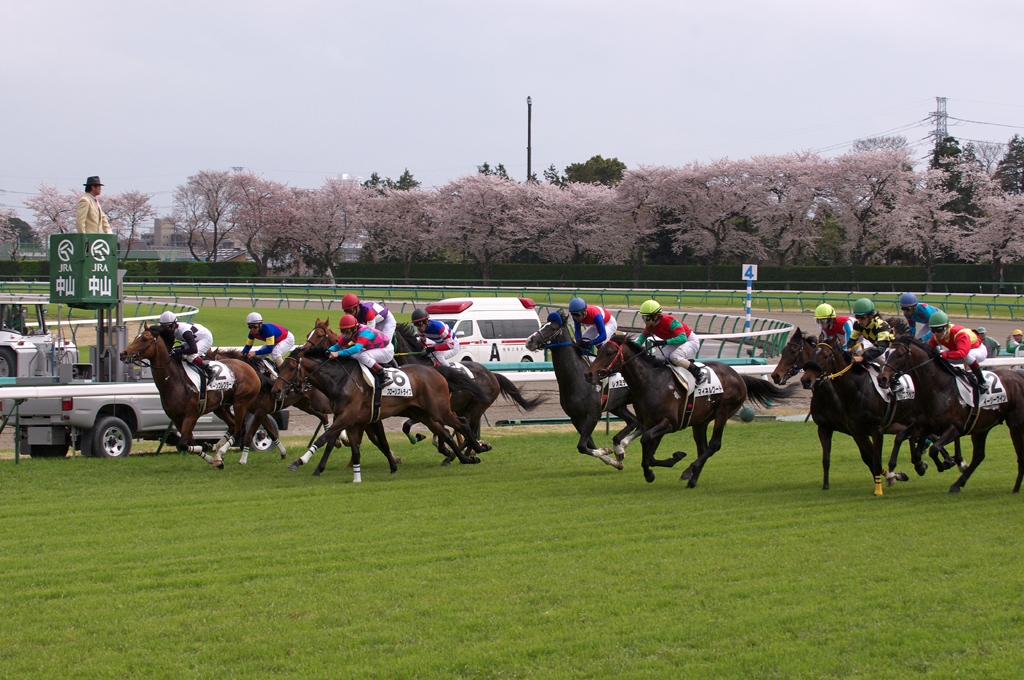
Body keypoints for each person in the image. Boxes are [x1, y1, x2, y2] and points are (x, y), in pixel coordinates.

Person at [637, 299, 704, 384]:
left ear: (655, 317)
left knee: (675, 357)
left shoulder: (670, 321)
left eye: (646, 317)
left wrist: (665, 342)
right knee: (658, 359)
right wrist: (632, 347)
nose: (644, 320)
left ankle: (698, 373)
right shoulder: (650, 326)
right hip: (676, 342)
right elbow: (642, 337)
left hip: (690, 341)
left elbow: (683, 338)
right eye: (643, 317)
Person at [927, 310, 988, 393]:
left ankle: (982, 382)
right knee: (939, 357)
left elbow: (962, 353)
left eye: (939, 330)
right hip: (959, 353)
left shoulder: (960, 334)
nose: (936, 333)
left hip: (978, 351)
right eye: (933, 330)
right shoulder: (936, 337)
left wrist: (945, 355)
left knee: (967, 356)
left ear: (946, 327)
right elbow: (928, 348)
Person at [327, 314, 394, 388]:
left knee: (362, 356)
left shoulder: (365, 332)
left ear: (354, 329)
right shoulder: (350, 333)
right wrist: (328, 350)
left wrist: (338, 353)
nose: (344, 334)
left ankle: (384, 375)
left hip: (386, 350)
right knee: (353, 355)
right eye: (342, 331)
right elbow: (337, 346)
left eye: (346, 331)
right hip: (374, 348)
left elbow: (357, 349)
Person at [159, 311, 214, 380]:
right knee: (176, 353)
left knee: (191, 357)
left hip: (205, 338)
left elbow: (193, 349)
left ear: (174, 324)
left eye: (167, 326)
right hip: (194, 338)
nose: (166, 329)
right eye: (163, 326)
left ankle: (209, 369)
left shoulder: (184, 331)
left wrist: (178, 351)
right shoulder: (173, 328)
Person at [849, 298, 894, 365]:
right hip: (877, 347)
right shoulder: (857, 324)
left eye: (862, 317)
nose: (859, 320)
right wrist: (849, 348)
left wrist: (862, 357)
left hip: (890, 349)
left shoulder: (881, 326)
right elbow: (852, 339)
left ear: (871, 316)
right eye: (857, 316)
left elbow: (881, 348)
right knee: (858, 353)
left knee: (885, 364)